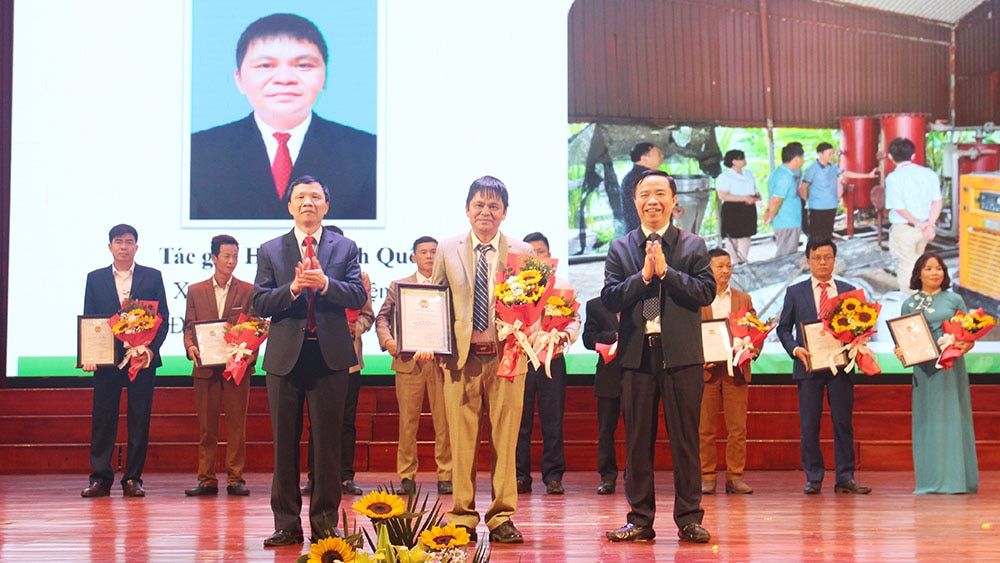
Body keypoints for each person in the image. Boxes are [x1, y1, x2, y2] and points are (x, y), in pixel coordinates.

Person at [602, 170, 716, 544]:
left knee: (686, 440)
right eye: (644, 194)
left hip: (681, 356)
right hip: (637, 357)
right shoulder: (620, 248)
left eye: (659, 193)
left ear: (673, 201)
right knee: (637, 442)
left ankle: (688, 518)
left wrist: (667, 274)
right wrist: (644, 277)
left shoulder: (692, 245)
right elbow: (611, 298)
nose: (652, 200)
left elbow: (706, 293)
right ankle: (639, 519)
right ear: (635, 203)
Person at [253, 175, 368, 547]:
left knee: (327, 446)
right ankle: (286, 524)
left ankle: (324, 524)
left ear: (326, 206)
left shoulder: (345, 247)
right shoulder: (272, 249)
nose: (307, 203)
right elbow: (260, 302)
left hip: (329, 358)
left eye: (315, 197)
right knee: (284, 444)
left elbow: (356, 295)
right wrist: (293, 288)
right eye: (300, 197)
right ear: (289, 206)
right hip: (286, 359)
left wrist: (325, 285)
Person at [190, 13, 376, 221]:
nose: (285, 79)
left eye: (303, 65)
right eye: (265, 66)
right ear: (239, 79)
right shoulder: (195, 152)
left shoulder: (369, 152)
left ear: (324, 77)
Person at [430, 175, 534, 544]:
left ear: (504, 212)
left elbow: (533, 308)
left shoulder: (523, 252)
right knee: (461, 441)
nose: (485, 211)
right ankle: (461, 515)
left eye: (493, 205)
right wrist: (433, 342)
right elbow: (435, 300)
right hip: (461, 360)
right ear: (467, 209)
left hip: (507, 359)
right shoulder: (447, 248)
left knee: (505, 440)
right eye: (479, 204)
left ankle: (503, 515)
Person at [776, 239, 871, 496]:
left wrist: (859, 337)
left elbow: (859, 327)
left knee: (842, 422)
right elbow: (783, 328)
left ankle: (845, 477)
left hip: (841, 366)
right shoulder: (795, 292)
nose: (822, 262)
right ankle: (814, 477)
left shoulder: (848, 291)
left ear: (834, 259)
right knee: (809, 424)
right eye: (817, 257)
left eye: (827, 257)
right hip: (808, 366)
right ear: (808, 261)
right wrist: (795, 349)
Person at [81, 224, 169, 498]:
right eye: (118, 242)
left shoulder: (152, 277)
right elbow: (91, 320)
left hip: (141, 361)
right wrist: (90, 355)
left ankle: (133, 478)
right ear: (110, 246)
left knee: (139, 419)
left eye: (129, 242)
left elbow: (162, 319)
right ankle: (100, 479)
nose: (123, 246)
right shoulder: (95, 279)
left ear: (136, 247)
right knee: (103, 419)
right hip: (107, 363)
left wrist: (148, 350)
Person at [375, 236, 453, 496]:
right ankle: (406, 476)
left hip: (442, 363)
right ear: (413, 257)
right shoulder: (399, 286)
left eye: (433, 252)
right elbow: (382, 318)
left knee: (445, 423)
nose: (429, 256)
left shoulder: (449, 286)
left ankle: (446, 475)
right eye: (423, 252)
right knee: (407, 424)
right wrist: (389, 342)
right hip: (408, 363)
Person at [300, 226, 373, 498]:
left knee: (346, 421)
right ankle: (314, 477)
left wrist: (358, 328)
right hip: (313, 355)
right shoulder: (306, 276)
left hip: (348, 358)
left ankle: (345, 476)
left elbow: (367, 314)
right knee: (314, 423)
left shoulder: (359, 279)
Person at [896, 252, 978, 494]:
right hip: (924, 369)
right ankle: (929, 480)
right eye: (929, 268)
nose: (935, 272)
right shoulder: (909, 304)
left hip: (951, 369)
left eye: (939, 268)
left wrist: (964, 345)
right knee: (928, 421)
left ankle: (957, 480)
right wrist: (902, 352)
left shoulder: (955, 300)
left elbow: (968, 337)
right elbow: (905, 339)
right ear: (918, 273)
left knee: (953, 418)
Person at [182, 235, 255, 497]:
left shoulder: (248, 290)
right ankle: (206, 479)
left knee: (237, 425)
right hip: (205, 369)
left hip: (237, 368)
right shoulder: (196, 290)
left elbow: (255, 326)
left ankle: (236, 478)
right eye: (226, 256)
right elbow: (189, 326)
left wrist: (249, 355)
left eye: (235, 256)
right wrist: (190, 346)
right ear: (214, 258)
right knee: (207, 426)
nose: (232, 261)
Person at [515, 232, 580, 496]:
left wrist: (565, 334)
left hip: (553, 359)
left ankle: (554, 476)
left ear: (549, 255)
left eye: (540, 251)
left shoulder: (562, 286)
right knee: (521, 422)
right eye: (530, 253)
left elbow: (575, 319)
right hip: (523, 359)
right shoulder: (514, 289)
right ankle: (520, 475)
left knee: (553, 421)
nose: (536, 257)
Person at [699, 248, 755, 495]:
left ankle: (735, 476)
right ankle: (706, 476)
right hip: (707, 371)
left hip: (737, 371)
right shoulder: (698, 298)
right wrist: (698, 357)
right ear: (707, 269)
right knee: (704, 427)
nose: (725, 270)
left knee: (737, 427)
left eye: (729, 266)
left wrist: (750, 348)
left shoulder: (743, 298)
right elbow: (689, 334)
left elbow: (755, 331)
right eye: (719, 266)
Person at [885, 137, 943, 294]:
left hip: (906, 229)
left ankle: (912, 306)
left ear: (890, 156)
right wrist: (930, 224)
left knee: (907, 266)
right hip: (924, 230)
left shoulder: (894, 178)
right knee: (919, 262)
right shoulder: (929, 174)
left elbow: (898, 208)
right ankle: (925, 296)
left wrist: (918, 223)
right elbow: (937, 201)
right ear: (913, 155)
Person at [582, 296, 622, 495]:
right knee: (606, 429)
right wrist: (614, 336)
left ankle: (635, 476)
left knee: (639, 430)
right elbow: (588, 338)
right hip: (608, 375)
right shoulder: (595, 305)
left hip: (638, 374)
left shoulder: (642, 301)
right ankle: (607, 477)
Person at [799, 142, 877, 242]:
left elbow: (846, 173)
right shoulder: (812, 169)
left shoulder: (832, 167)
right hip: (817, 208)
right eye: (829, 154)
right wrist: (806, 203)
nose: (831, 156)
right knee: (816, 235)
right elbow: (803, 187)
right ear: (820, 154)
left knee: (827, 233)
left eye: (832, 154)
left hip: (831, 206)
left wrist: (867, 175)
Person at [716, 149, 760, 264]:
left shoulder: (749, 173)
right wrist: (744, 198)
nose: (744, 160)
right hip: (732, 208)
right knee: (732, 237)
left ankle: (743, 259)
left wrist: (756, 195)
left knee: (746, 235)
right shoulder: (725, 176)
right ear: (733, 161)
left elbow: (753, 188)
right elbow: (722, 195)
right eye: (741, 158)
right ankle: (734, 261)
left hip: (748, 207)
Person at [762, 142, 806, 257]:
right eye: (802, 158)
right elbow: (777, 199)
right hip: (787, 221)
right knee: (786, 255)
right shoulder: (784, 177)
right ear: (796, 159)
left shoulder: (778, 172)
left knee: (788, 252)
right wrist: (770, 215)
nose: (803, 161)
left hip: (787, 220)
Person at [620, 143, 665, 234]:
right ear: (644, 158)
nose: (662, 156)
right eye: (658, 154)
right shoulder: (640, 179)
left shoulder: (636, 177)